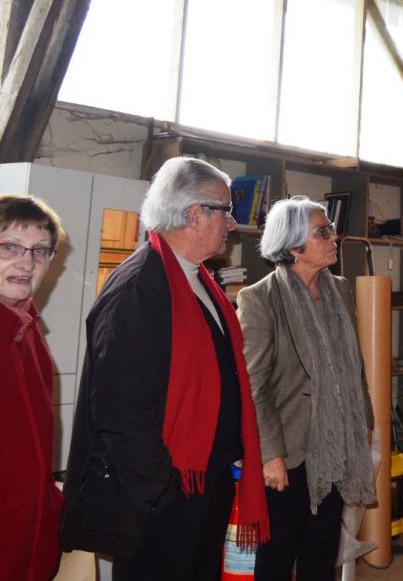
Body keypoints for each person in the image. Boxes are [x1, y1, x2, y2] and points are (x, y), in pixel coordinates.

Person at [61, 157, 270, 580]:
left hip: (202, 484)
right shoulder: (139, 286)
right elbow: (120, 412)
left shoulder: (196, 278)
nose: (232, 224)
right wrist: (162, 493)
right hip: (165, 497)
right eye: (226, 211)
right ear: (195, 214)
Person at [236, 196, 375, 581]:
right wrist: (270, 454)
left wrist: (363, 420)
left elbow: (353, 363)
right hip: (289, 449)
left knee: (322, 552)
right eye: (322, 232)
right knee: (277, 557)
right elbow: (254, 383)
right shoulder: (260, 299)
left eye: (330, 229)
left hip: (334, 445)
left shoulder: (340, 290)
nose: (334, 237)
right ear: (294, 246)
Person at [0, 195, 66, 581]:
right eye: (9, 247)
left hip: (28, 548)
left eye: (39, 251)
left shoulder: (30, 335)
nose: (26, 263)